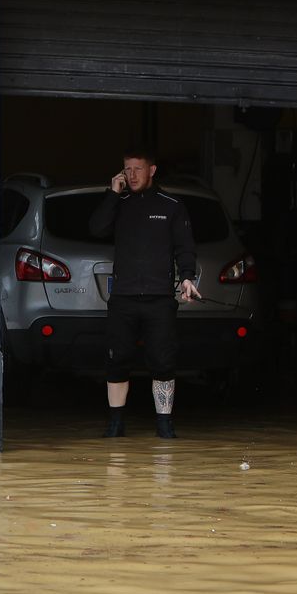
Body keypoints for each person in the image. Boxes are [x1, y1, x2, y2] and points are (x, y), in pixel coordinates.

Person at [88, 150, 201, 439]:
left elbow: (185, 248)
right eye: (127, 169)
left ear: (152, 170)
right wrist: (112, 194)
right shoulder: (119, 203)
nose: (132, 175)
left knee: (163, 361)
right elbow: (97, 228)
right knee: (117, 359)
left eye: (138, 169)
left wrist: (187, 278)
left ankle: (165, 425)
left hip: (159, 298)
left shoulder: (172, 205)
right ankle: (115, 425)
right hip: (123, 298)